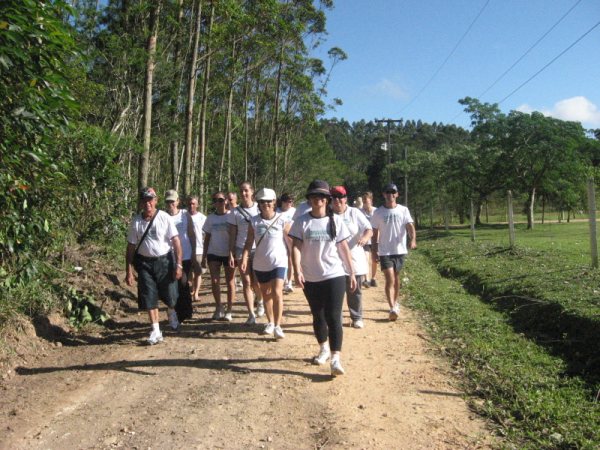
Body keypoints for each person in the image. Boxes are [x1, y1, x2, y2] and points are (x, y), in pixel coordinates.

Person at [290, 180, 356, 377]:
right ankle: (323, 348)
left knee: (334, 316)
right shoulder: (302, 221)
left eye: (321, 196)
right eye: (313, 196)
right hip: (311, 276)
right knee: (317, 315)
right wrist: (297, 270)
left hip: (334, 274)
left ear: (327, 199)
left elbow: (343, 247)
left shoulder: (335, 220)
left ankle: (336, 358)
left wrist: (351, 272)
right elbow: (295, 247)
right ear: (309, 199)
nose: (317, 200)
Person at [125, 187, 182, 345]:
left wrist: (179, 265)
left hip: (164, 261)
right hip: (144, 263)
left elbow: (176, 242)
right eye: (144, 200)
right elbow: (130, 247)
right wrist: (129, 270)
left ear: (155, 201)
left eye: (150, 199)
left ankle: (171, 311)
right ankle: (156, 330)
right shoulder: (136, 221)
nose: (147, 203)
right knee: (149, 295)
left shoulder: (164, 217)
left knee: (171, 295)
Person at [242, 188, 291, 339]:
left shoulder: (283, 219)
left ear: (274, 202)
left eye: (269, 201)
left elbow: (291, 242)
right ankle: (270, 322)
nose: (266, 204)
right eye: (262, 202)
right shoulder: (254, 221)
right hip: (260, 263)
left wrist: (296, 262)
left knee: (277, 292)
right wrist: (244, 258)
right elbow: (249, 242)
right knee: (266, 294)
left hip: (279, 261)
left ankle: (277, 325)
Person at [370, 183, 417, 321]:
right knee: (390, 278)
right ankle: (391, 307)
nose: (390, 194)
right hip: (385, 251)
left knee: (396, 279)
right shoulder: (378, 212)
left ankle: (395, 304)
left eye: (393, 192)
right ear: (384, 194)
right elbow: (374, 232)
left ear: (396, 194)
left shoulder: (403, 210)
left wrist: (413, 239)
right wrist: (374, 250)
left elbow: (410, 226)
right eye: (387, 192)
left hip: (400, 250)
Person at [330, 186, 372, 329]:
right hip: (334, 259)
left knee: (355, 290)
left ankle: (356, 317)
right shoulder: (327, 215)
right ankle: (337, 319)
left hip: (354, 257)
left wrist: (365, 238)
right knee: (336, 292)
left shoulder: (354, 213)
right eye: (334, 197)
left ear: (345, 199)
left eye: (340, 197)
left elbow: (369, 229)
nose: (337, 200)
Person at [227, 181, 264, 324]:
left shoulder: (259, 208)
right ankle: (251, 314)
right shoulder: (234, 212)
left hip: (257, 248)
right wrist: (231, 252)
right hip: (240, 249)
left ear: (252, 192)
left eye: (246, 190)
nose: (243, 194)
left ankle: (260, 301)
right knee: (246, 282)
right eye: (241, 191)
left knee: (257, 282)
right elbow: (232, 234)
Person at [202, 192, 235, 321]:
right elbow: (207, 237)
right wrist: (204, 255)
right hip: (213, 252)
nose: (219, 202)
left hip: (228, 253)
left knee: (230, 282)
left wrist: (233, 253)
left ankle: (229, 309)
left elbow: (235, 235)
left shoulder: (231, 216)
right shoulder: (210, 218)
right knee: (215, 281)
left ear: (226, 201)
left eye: (221, 200)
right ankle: (219, 307)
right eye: (216, 200)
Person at [165, 189, 196, 327]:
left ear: (178, 201)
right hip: (170, 255)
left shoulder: (185, 215)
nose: (171, 204)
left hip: (186, 254)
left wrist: (195, 251)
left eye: (173, 201)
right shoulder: (163, 216)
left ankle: (186, 311)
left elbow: (191, 234)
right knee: (174, 284)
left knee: (183, 282)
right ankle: (178, 312)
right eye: (168, 201)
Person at [188, 195, 206, 301]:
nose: (191, 206)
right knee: (189, 272)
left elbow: (207, 233)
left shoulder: (202, 218)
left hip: (199, 249)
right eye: (189, 203)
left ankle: (196, 293)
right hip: (187, 249)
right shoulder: (183, 216)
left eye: (193, 203)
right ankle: (191, 291)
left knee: (198, 272)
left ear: (197, 205)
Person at [277, 192, 296, 293]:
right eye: (288, 201)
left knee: (290, 258)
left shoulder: (294, 211)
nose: (290, 203)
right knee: (282, 258)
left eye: (291, 201)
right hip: (279, 237)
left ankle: (289, 282)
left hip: (291, 236)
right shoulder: (277, 211)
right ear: (282, 202)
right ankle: (282, 279)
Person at [360, 191, 378, 288]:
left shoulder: (376, 211)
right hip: (365, 239)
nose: (364, 203)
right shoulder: (360, 212)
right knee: (365, 258)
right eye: (363, 201)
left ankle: (373, 278)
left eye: (366, 201)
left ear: (371, 200)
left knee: (374, 260)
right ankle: (366, 279)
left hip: (375, 239)